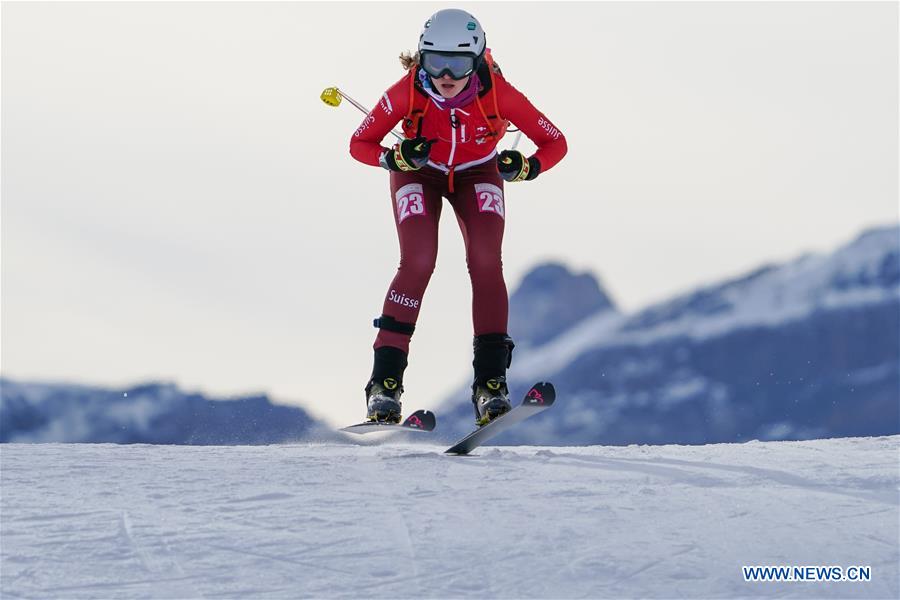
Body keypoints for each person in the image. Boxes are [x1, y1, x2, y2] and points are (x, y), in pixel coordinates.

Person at [349, 8, 567, 425]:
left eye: (459, 63)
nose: (446, 75)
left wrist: (526, 167)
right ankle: (384, 386)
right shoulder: (407, 91)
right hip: (418, 173)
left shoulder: (499, 93)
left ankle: (490, 385)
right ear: (420, 58)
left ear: (478, 60)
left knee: (486, 260)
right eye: (434, 62)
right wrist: (392, 157)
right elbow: (359, 142)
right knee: (418, 260)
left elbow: (555, 142)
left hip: (478, 172)